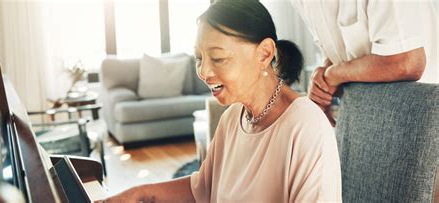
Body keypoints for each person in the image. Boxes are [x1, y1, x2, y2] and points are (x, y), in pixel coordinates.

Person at [100, 1, 342, 202]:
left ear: (265, 53)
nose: (203, 71)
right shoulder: (233, 117)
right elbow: (203, 189)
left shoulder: (306, 127)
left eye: (218, 58)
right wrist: (138, 193)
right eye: (199, 58)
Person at [289, 0, 438, 124]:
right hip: (364, 116)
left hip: (422, 120)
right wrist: (322, 83)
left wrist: (333, 75)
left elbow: (408, 62)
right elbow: (336, 47)